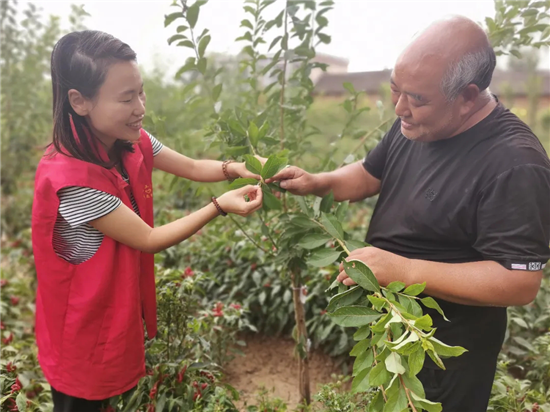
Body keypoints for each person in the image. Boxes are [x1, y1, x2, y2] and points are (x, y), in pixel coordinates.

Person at [269, 15, 550, 412]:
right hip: (393, 329)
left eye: (417, 98)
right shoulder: (418, 123)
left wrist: (404, 270)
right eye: (395, 90)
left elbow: (519, 282)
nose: (400, 107)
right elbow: (370, 173)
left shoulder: (515, 163)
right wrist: (318, 181)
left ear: (468, 97)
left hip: (445, 350)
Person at [32, 30, 263, 411]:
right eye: (126, 98)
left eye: (140, 92)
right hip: (81, 327)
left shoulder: (127, 138)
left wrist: (236, 168)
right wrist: (218, 206)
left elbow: (189, 165)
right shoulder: (72, 181)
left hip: (104, 306)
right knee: (79, 401)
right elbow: (148, 238)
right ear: (80, 101)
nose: (140, 107)